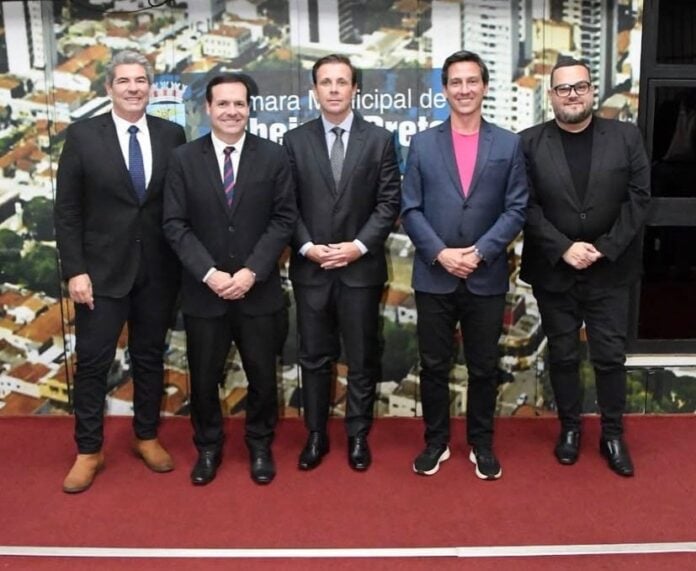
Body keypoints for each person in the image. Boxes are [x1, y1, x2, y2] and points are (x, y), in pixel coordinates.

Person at [55, 50, 186, 493]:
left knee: (149, 358)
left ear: (150, 87)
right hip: (100, 274)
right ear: (109, 88)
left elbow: (177, 204)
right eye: (124, 81)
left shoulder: (172, 134)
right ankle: (88, 450)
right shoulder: (83, 136)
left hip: (158, 272)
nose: (134, 88)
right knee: (93, 364)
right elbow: (67, 211)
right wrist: (75, 270)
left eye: (141, 80)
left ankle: (146, 436)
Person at [163, 74, 296, 486]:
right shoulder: (183, 159)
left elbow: (284, 219)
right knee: (204, 379)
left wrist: (251, 271)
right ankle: (208, 447)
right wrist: (210, 273)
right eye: (223, 104)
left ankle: (260, 445)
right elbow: (174, 224)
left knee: (262, 377)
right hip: (205, 293)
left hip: (258, 291)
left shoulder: (274, 156)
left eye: (239, 104)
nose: (232, 111)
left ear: (249, 108)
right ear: (208, 108)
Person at [520, 58, 651, 477]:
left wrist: (603, 248)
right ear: (551, 96)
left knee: (610, 358)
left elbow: (639, 199)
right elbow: (524, 205)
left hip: (609, 270)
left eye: (579, 86)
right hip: (554, 271)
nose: (572, 95)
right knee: (562, 356)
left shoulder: (626, 137)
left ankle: (613, 435)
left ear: (592, 91)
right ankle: (570, 430)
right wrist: (563, 248)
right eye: (563, 88)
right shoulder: (528, 143)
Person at [401, 50, 528, 480]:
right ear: (445, 89)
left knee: (484, 367)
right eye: (455, 82)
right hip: (434, 274)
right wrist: (441, 253)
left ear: (485, 87)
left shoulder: (508, 144)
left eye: (472, 81)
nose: (464, 89)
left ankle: (481, 444)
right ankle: (435, 442)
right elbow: (410, 208)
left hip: (485, 273)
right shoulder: (422, 144)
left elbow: (516, 208)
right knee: (434, 365)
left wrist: (479, 252)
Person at [283, 54, 401, 472]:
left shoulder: (380, 140)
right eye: (326, 82)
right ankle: (315, 434)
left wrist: (357, 246)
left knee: (362, 357)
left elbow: (388, 203)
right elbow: (286, 206)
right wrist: (307, 246)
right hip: (311, 269)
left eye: (342, 82)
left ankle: (357, 435)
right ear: (314, 90)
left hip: (360, 271)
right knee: (314, 358)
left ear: (355, 89)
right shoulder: (294, 141)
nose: (334, 89)